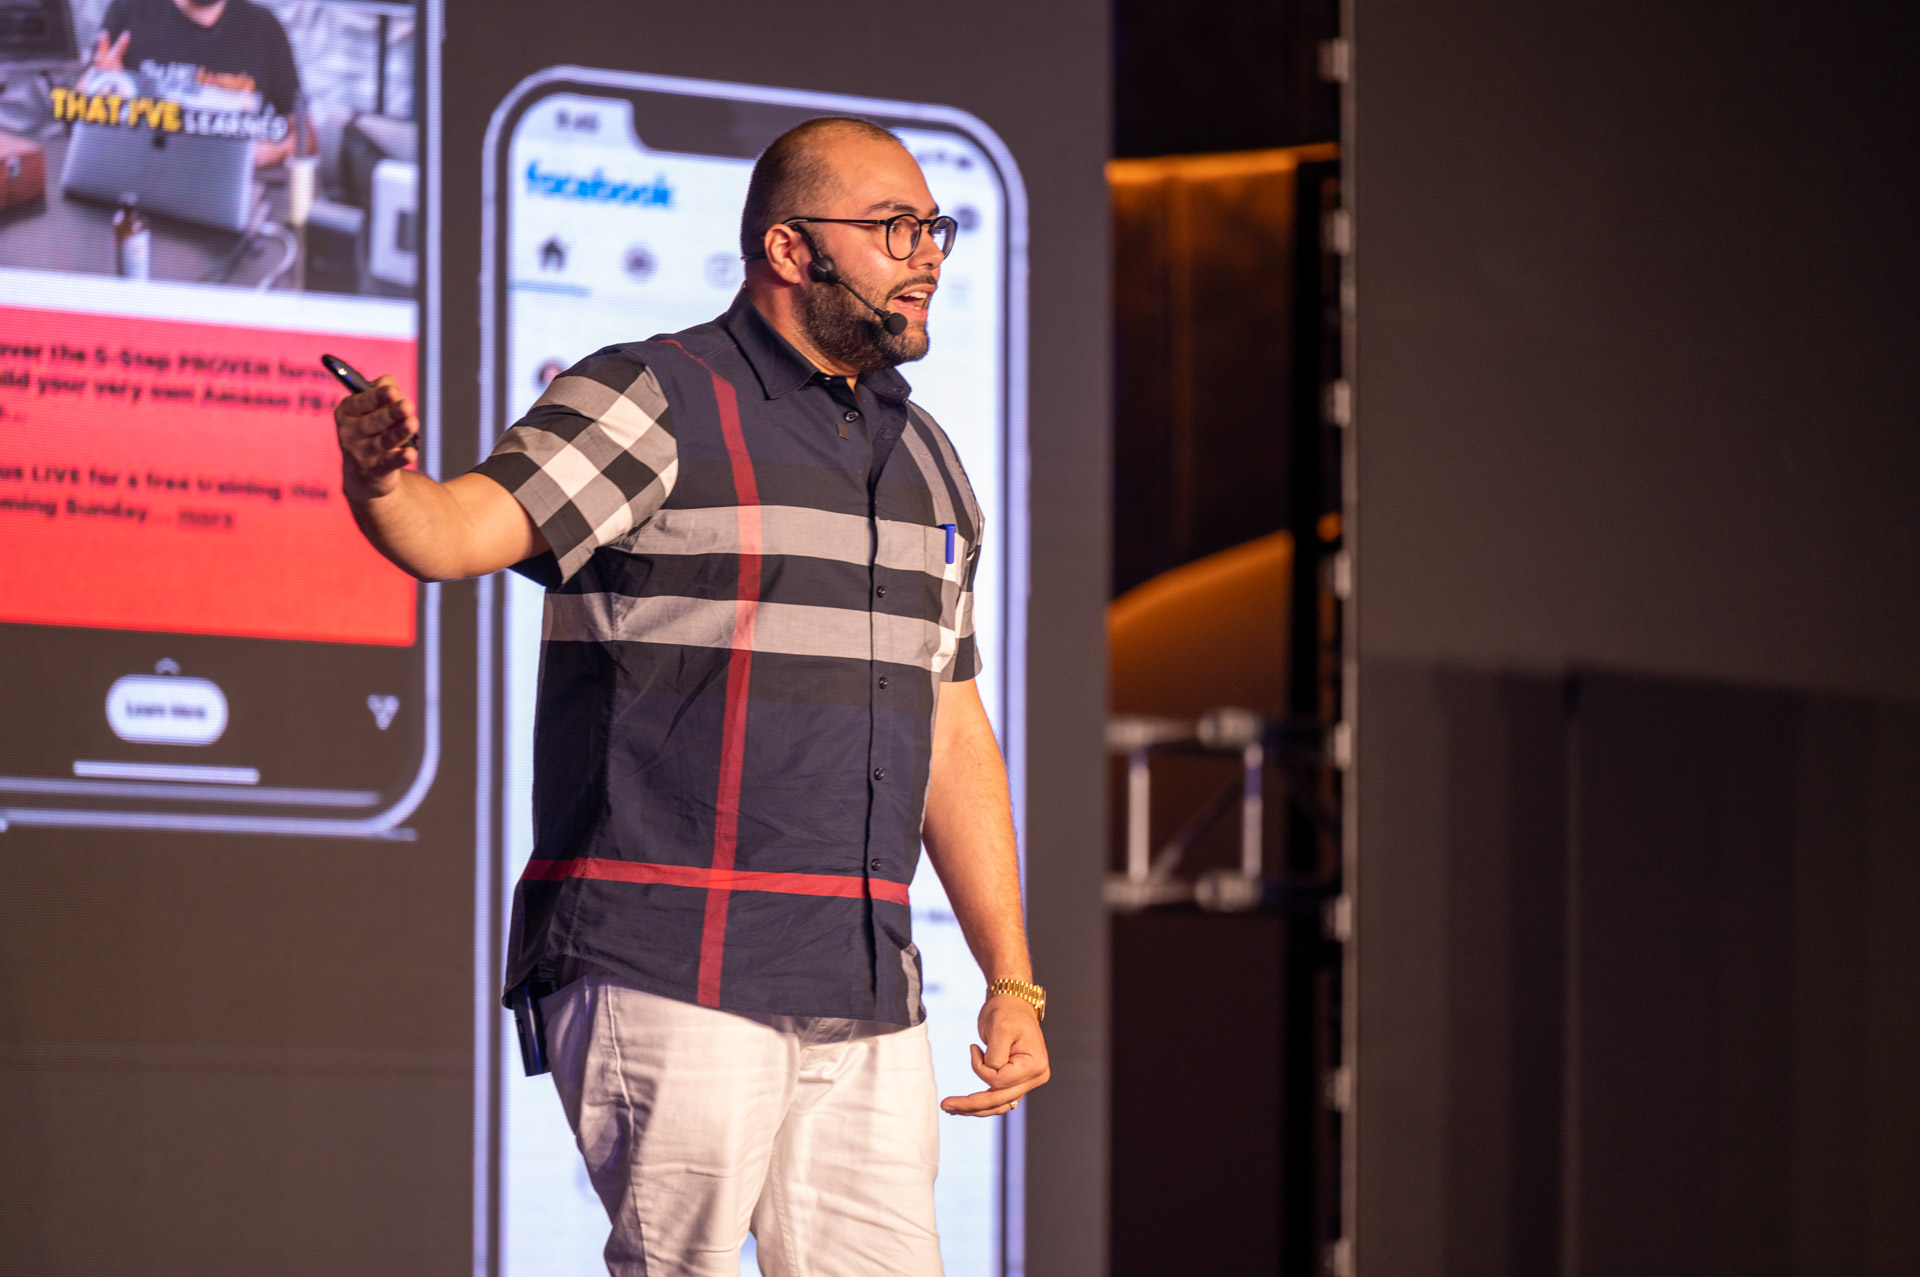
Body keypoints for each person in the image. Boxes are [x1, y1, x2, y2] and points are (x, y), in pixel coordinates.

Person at [332, 117, 1049, 1276]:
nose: (926, 253)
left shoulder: (927, 458)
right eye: (892, 228)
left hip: (865, 981)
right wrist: (384, 482)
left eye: (934, 228)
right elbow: (452, 531)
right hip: (673, 961)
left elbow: (953, 730)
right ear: (790, 248)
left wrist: (1010, 977)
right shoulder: (652, 395)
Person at [88, 0, 305, 167]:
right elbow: (81, 107)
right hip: (138, 172)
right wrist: (100, 86)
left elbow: (304, 133)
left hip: (227, 186)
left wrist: (280, 150)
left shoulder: (264, 28)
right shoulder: (130, 9)